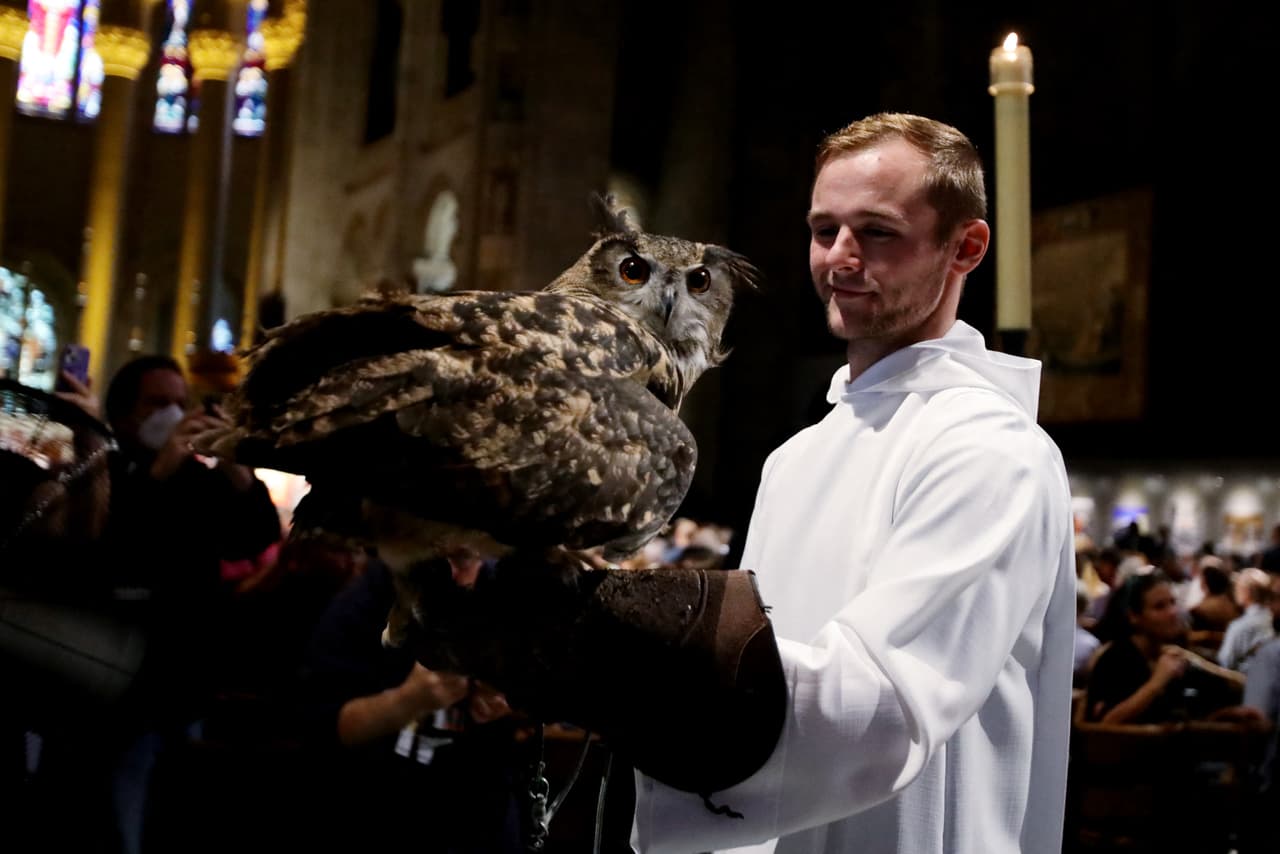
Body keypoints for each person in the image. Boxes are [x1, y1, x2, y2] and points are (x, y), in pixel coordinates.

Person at [408, 113, 1076, 854]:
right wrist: (551, 662)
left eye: (877, 232)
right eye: (824, 230)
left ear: (966, 247)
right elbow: (755, 664)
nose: (840, 257)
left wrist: (603, 638)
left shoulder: (990, 449)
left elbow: (881, 707)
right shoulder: (796, 457)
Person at [1086, 571, 1242, 724]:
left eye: (1173, 602)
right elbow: (1106, 725)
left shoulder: (1171, 653)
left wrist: (1224, 715)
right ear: (1134, 616)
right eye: (1159, 607)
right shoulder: (1116, 659)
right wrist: (1157, 682)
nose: (1173, 612)